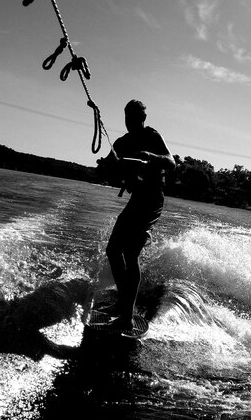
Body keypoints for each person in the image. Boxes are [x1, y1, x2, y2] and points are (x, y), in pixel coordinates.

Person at [101, 99, 175, 330]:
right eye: (128, 117)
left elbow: (171, 163)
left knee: (131, 253)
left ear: (143, 119)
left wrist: (149, 156)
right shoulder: (122, 143)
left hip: (152, 199)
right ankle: (123, 304)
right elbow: (106, 168)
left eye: (136, 118)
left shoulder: (153, 136)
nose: (131, 122)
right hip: (136, 199)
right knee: (113, 250)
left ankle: (127, 318)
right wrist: (104, 167)